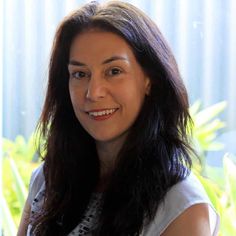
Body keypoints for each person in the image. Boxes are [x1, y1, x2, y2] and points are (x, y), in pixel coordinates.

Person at [17, 1, 220, 235]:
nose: (93, 92)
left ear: (149, 79)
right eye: (80, 74)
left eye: (114, 71)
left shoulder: (183, 207)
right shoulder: (46, 179)